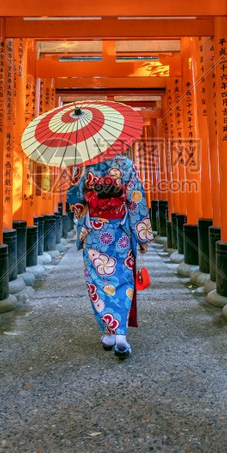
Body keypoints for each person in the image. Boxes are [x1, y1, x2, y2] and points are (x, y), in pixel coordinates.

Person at [67, 153, 153, 360]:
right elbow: (136, 200)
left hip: (95, 232)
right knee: (122, 279)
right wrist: (142, 236)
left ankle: (108, 333)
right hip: (120, 231)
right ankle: (121, 336)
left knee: (98, 281)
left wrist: (89, 203)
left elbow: (74, 200)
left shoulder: (82, 165)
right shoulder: (127, 164)